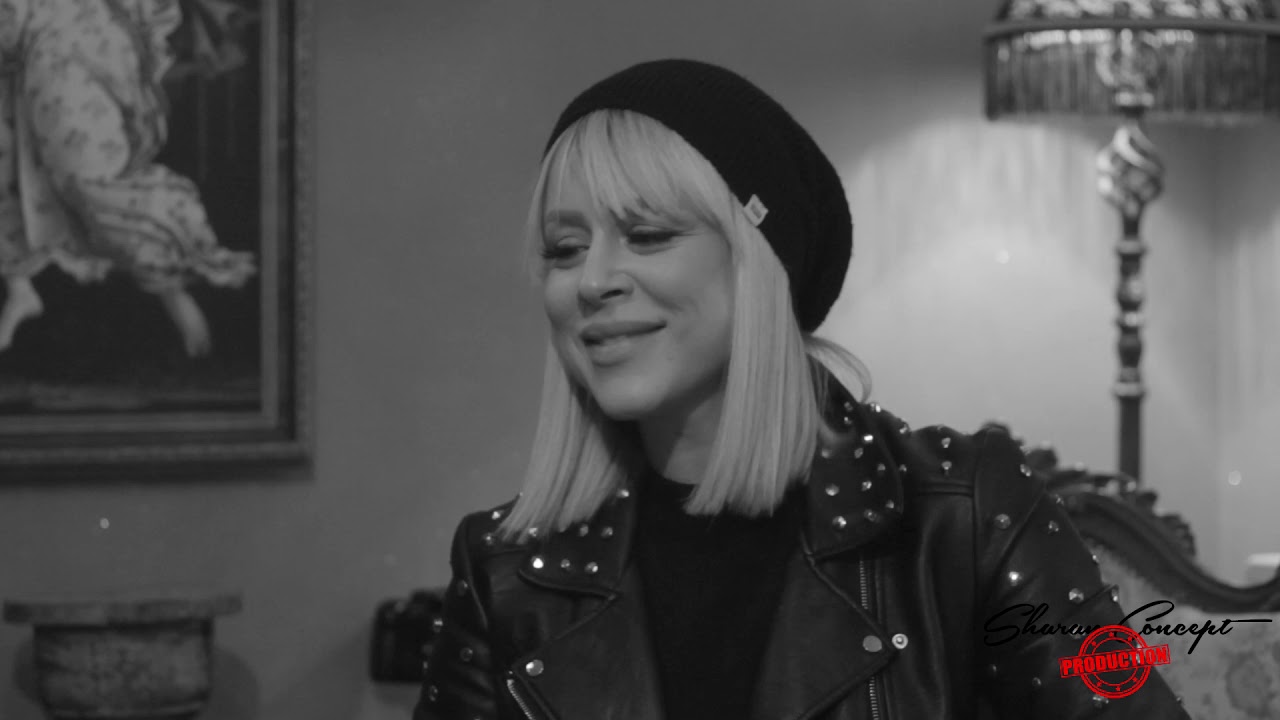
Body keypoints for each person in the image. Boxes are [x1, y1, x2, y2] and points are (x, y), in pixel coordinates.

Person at [413, 59, 1191, 720]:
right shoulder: (503, 569)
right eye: (564, 249)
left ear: (761, 259)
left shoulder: (965, 515)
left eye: (647, 235)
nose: (593, 281)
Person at [0, 0, 256, 356]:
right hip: (40, 52)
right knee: (10, 159)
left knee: (88, 181)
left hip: (75, 50)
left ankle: (170, 288)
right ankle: (19, 287)